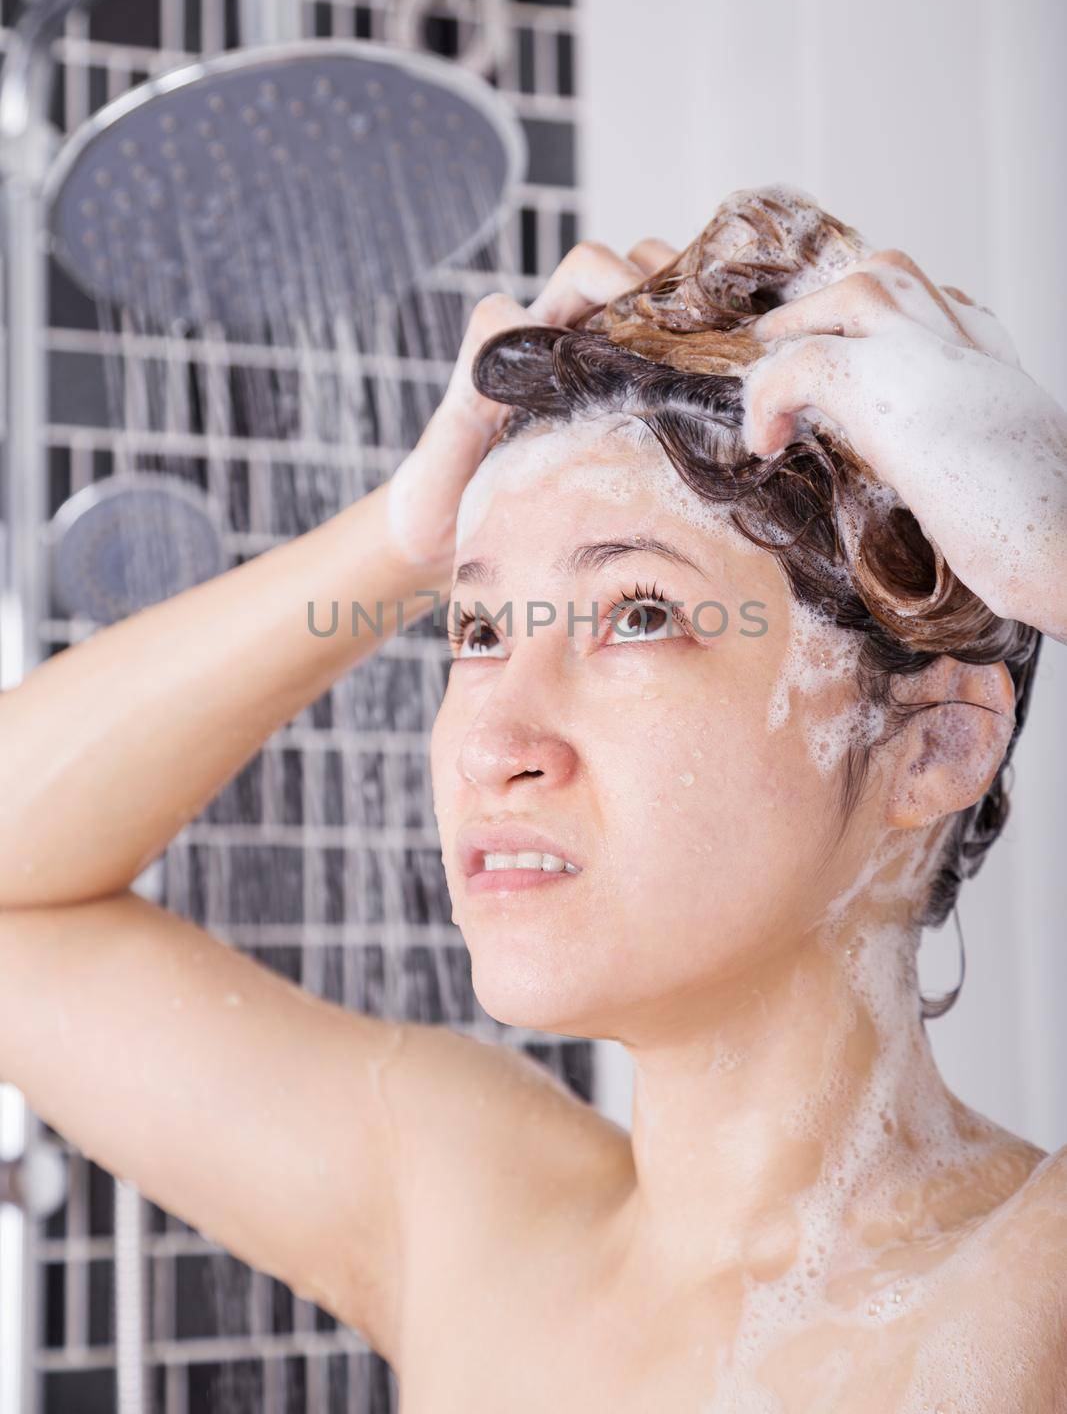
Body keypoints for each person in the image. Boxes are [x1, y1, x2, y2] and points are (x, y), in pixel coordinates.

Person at [0, 186, 1064, 1410]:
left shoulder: (1032, 1298)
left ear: (933, 744)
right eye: (479, 626)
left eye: (639, 615)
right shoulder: (469, 1218)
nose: (489, 742)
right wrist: (406, 536)